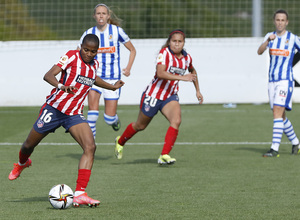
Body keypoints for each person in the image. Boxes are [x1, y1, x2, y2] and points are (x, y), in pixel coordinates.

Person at [8, 34, 124, 207]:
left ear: (96, 52)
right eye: (86, 50)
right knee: (28, 145)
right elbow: (48, 75)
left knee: (90, 147)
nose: (89, 54)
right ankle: (22, 163)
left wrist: (112, 86)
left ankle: (80, 193)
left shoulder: (95, 65)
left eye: (93, 51)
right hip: (53, 109)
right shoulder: (71, 56)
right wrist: (62, 87)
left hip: (74, 114)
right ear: (81, 47)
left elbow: (93, 79)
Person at [114, 29, 203, 164]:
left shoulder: (187, 58)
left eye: (180, 41)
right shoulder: (164, 53)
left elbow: (192, 71)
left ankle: (164, 155)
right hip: (153, 95)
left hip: (170, 96)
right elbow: (160, 73)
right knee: (140, 126)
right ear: (169, 42)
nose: (177, 44)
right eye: (174, 41)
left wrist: (197, 90)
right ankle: (120, 142)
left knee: (176, 121)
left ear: (184, 43)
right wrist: (182, 77)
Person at [77, 3, 136, 138]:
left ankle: (114, 121)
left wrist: (128, 68)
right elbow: (77, 53)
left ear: (108, 16)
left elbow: (132, 50)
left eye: (104, 13)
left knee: (109, 118)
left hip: (113, 79)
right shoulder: (88, 33)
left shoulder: (116, 31)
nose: (101, 16)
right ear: (94, 16)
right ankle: (90, 145)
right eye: (98, 13)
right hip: (94, 77)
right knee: (92, 115)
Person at [257, 9, 300, 157]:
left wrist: (292, 63)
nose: (280, 22)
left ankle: (274, 149)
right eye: (277, 20)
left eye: (283, 20)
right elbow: (259, 51)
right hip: (272, 81)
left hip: (285, 81)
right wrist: (268, 40)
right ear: (274, 21)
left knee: (277, 112)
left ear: (287, 22)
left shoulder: (293, 38)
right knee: (280, 116)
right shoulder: (270, 37)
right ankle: (296, 143)